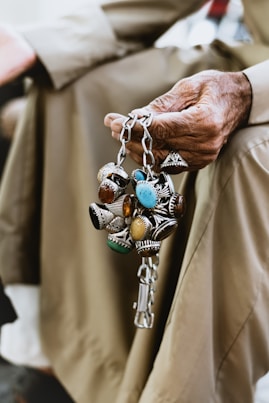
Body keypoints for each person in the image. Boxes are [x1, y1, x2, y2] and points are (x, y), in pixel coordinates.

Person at [0, 0, 269, 402]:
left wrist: (251, 92)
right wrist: (38, 42)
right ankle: (68, 359)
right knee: (76, 85)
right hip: (247, 61)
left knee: (242, 152)